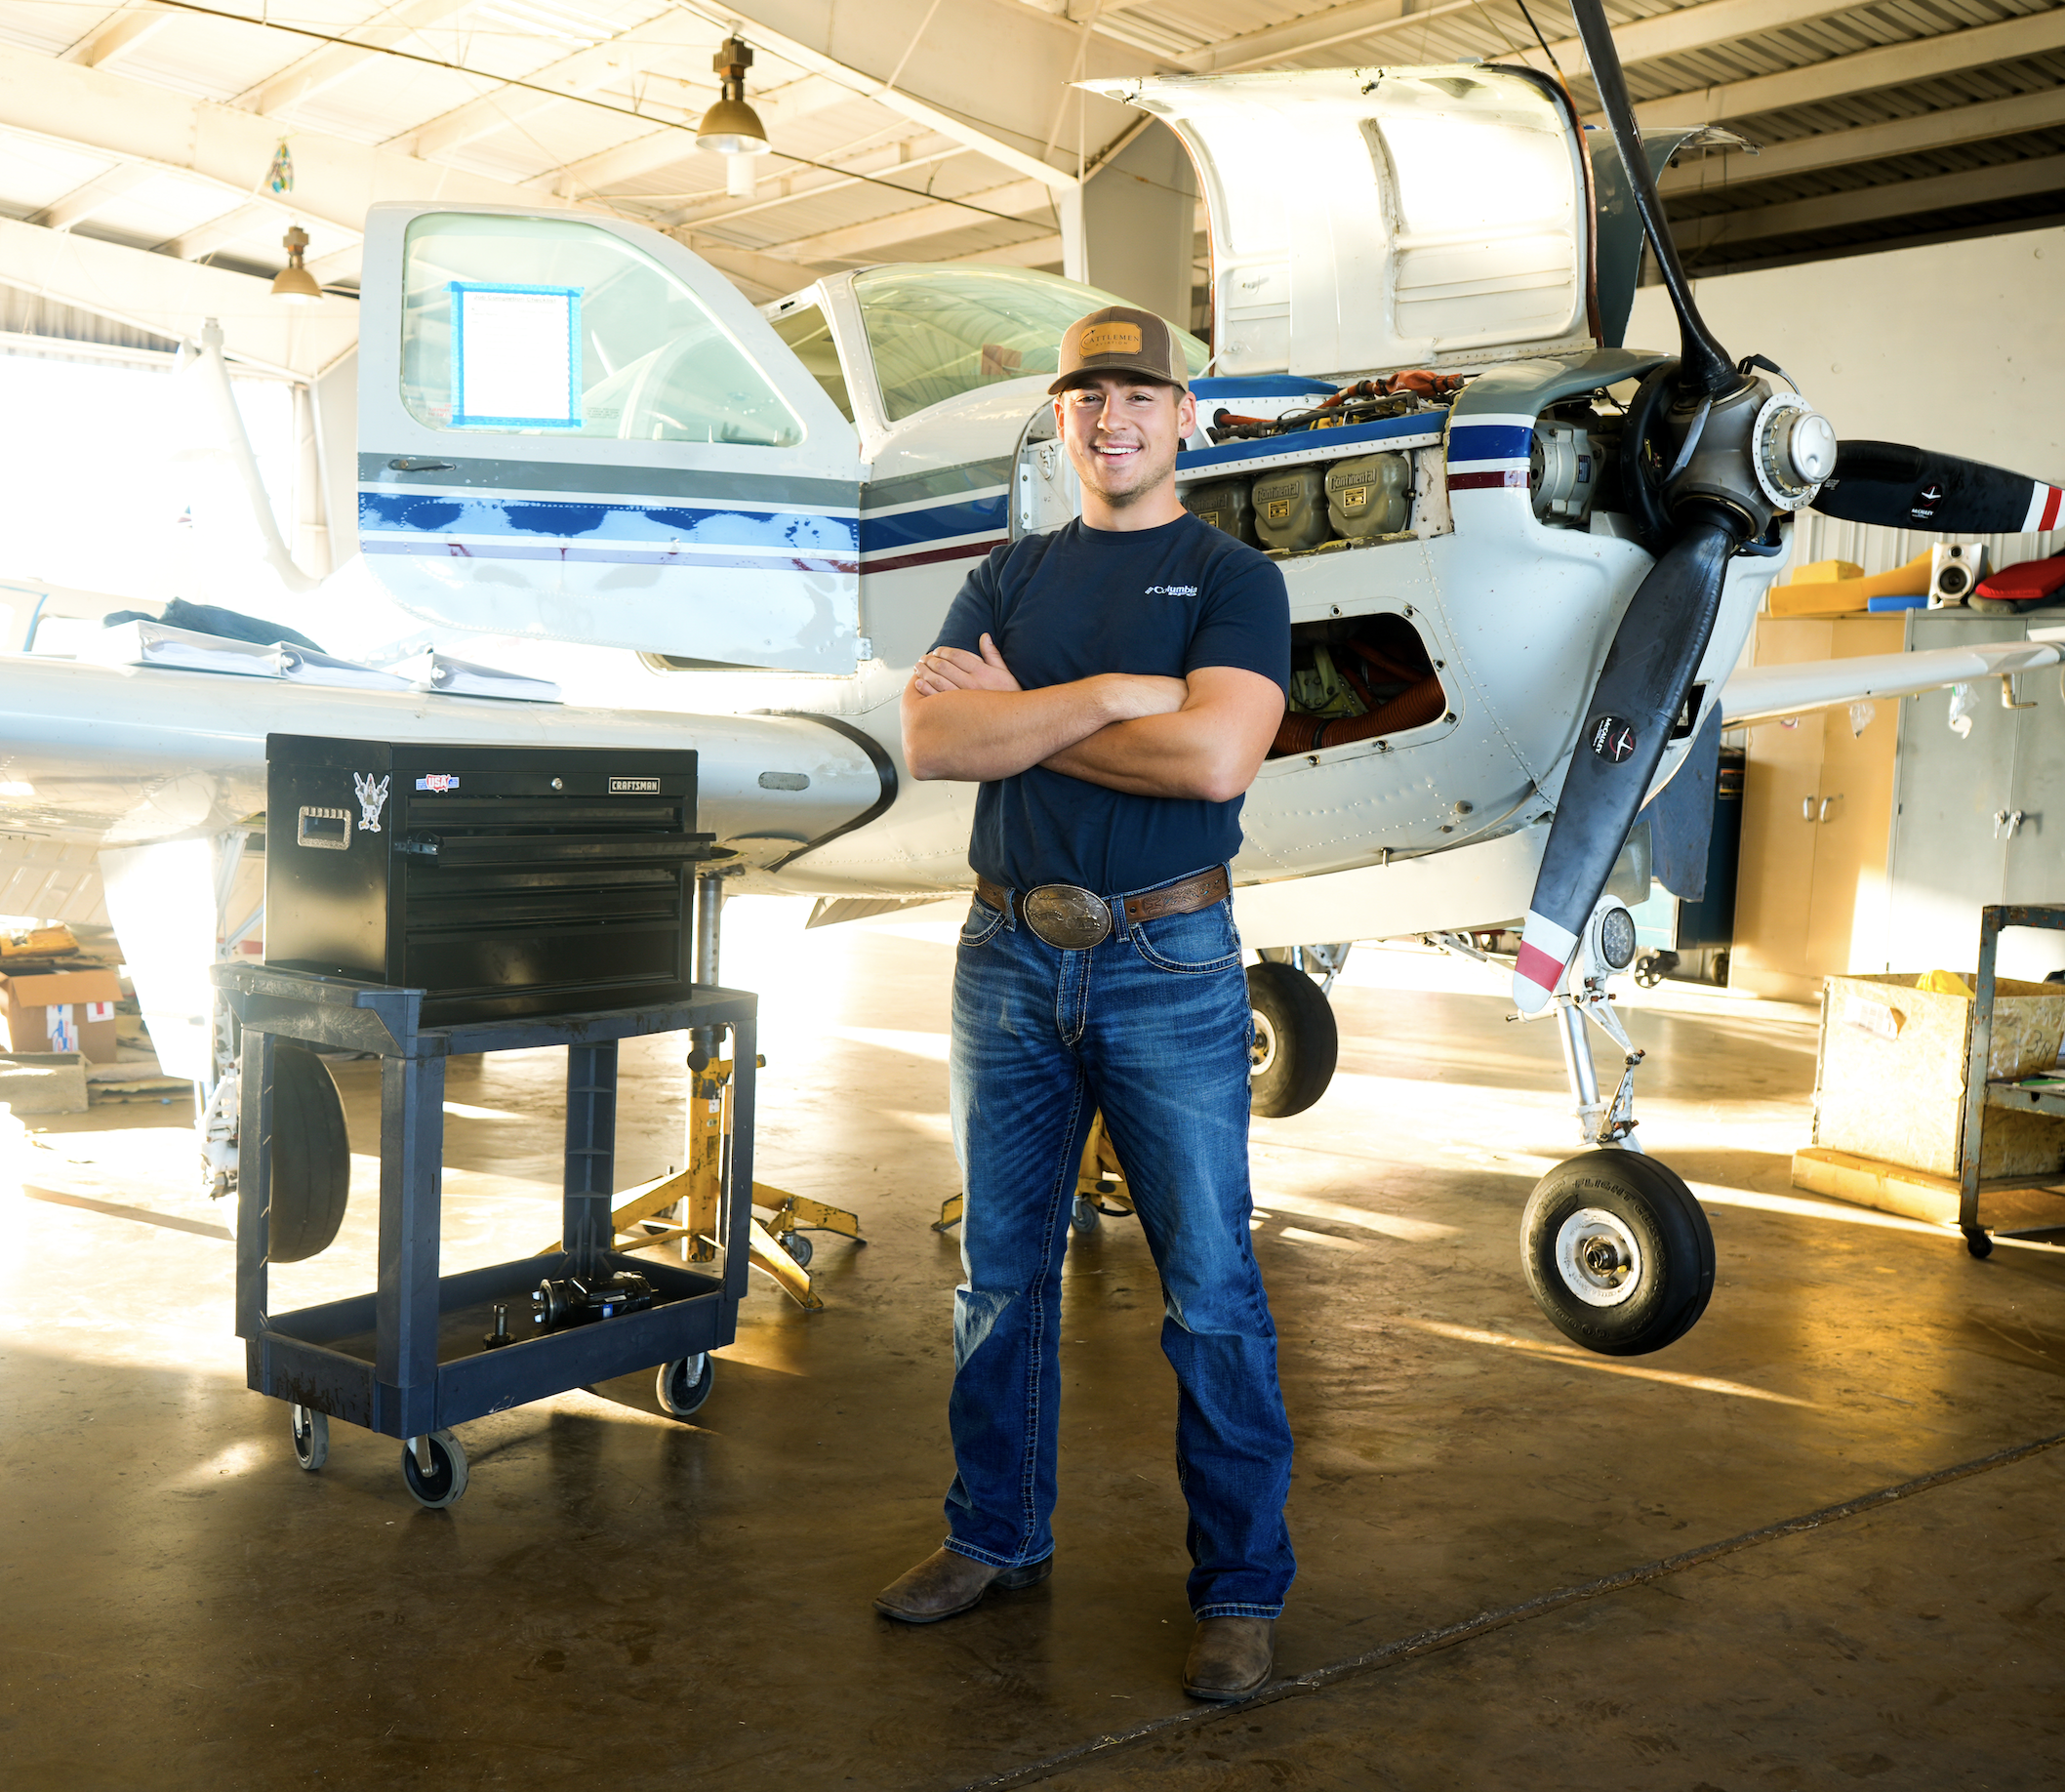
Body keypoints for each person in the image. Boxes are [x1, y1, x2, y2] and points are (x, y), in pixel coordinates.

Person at [877, 304, 1296, 1701]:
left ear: (1185, 416)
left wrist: (1037, 715)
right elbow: (938, 739)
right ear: (1060, 419)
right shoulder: (1002, 578)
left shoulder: (1234, 578)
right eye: (1085, 397)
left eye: (1137, 395)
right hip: (1004, 962)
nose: (1111, 418)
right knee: (999, 1279)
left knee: (1215, 1293)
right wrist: (1122, 694)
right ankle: (992, 1531)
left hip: (1168, 965)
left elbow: (1213, 766)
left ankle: (1239, 1587)